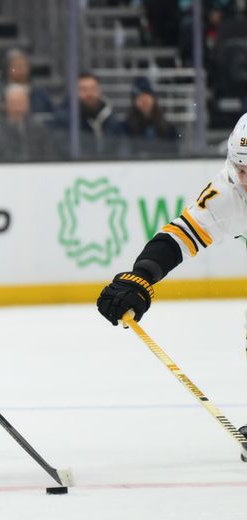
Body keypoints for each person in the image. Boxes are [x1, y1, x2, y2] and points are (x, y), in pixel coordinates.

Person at [96, 112, 247, 454]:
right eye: (242, 170)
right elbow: (178, 237)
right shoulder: (227, 193)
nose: (246, 179)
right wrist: (141, 277)